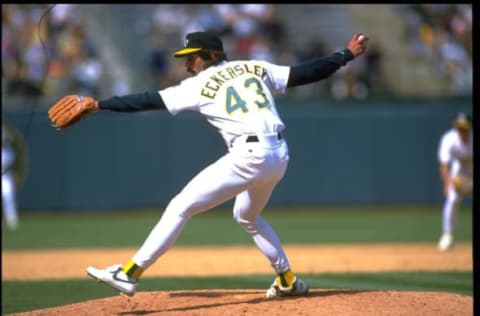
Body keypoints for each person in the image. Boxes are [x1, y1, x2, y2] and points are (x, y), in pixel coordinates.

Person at [49, 31, 368, 298]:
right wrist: (346, 54)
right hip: (278, 155)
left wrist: (99, 105)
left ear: (211, 55)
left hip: (249, 156)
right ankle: (286, 280)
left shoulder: (200, 84)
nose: (188, 63)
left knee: (180, 206)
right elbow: (305, 73)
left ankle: (130, 273)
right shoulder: (253, 67)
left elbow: (148, 100)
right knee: (247, 215)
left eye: (193, 56)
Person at [436, 112, 473, 251]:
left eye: (465, 128)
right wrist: (447, 183)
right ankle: (447, 235)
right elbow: (444, 164)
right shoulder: (449, 139)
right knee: (452, 199)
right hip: (460, 169)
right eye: (459, 127)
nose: (462, 130)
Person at [2, 122, 19, 230]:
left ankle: (12, 220)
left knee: (8, 198)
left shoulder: (8, 151)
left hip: (5, 178)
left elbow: (11, 165)